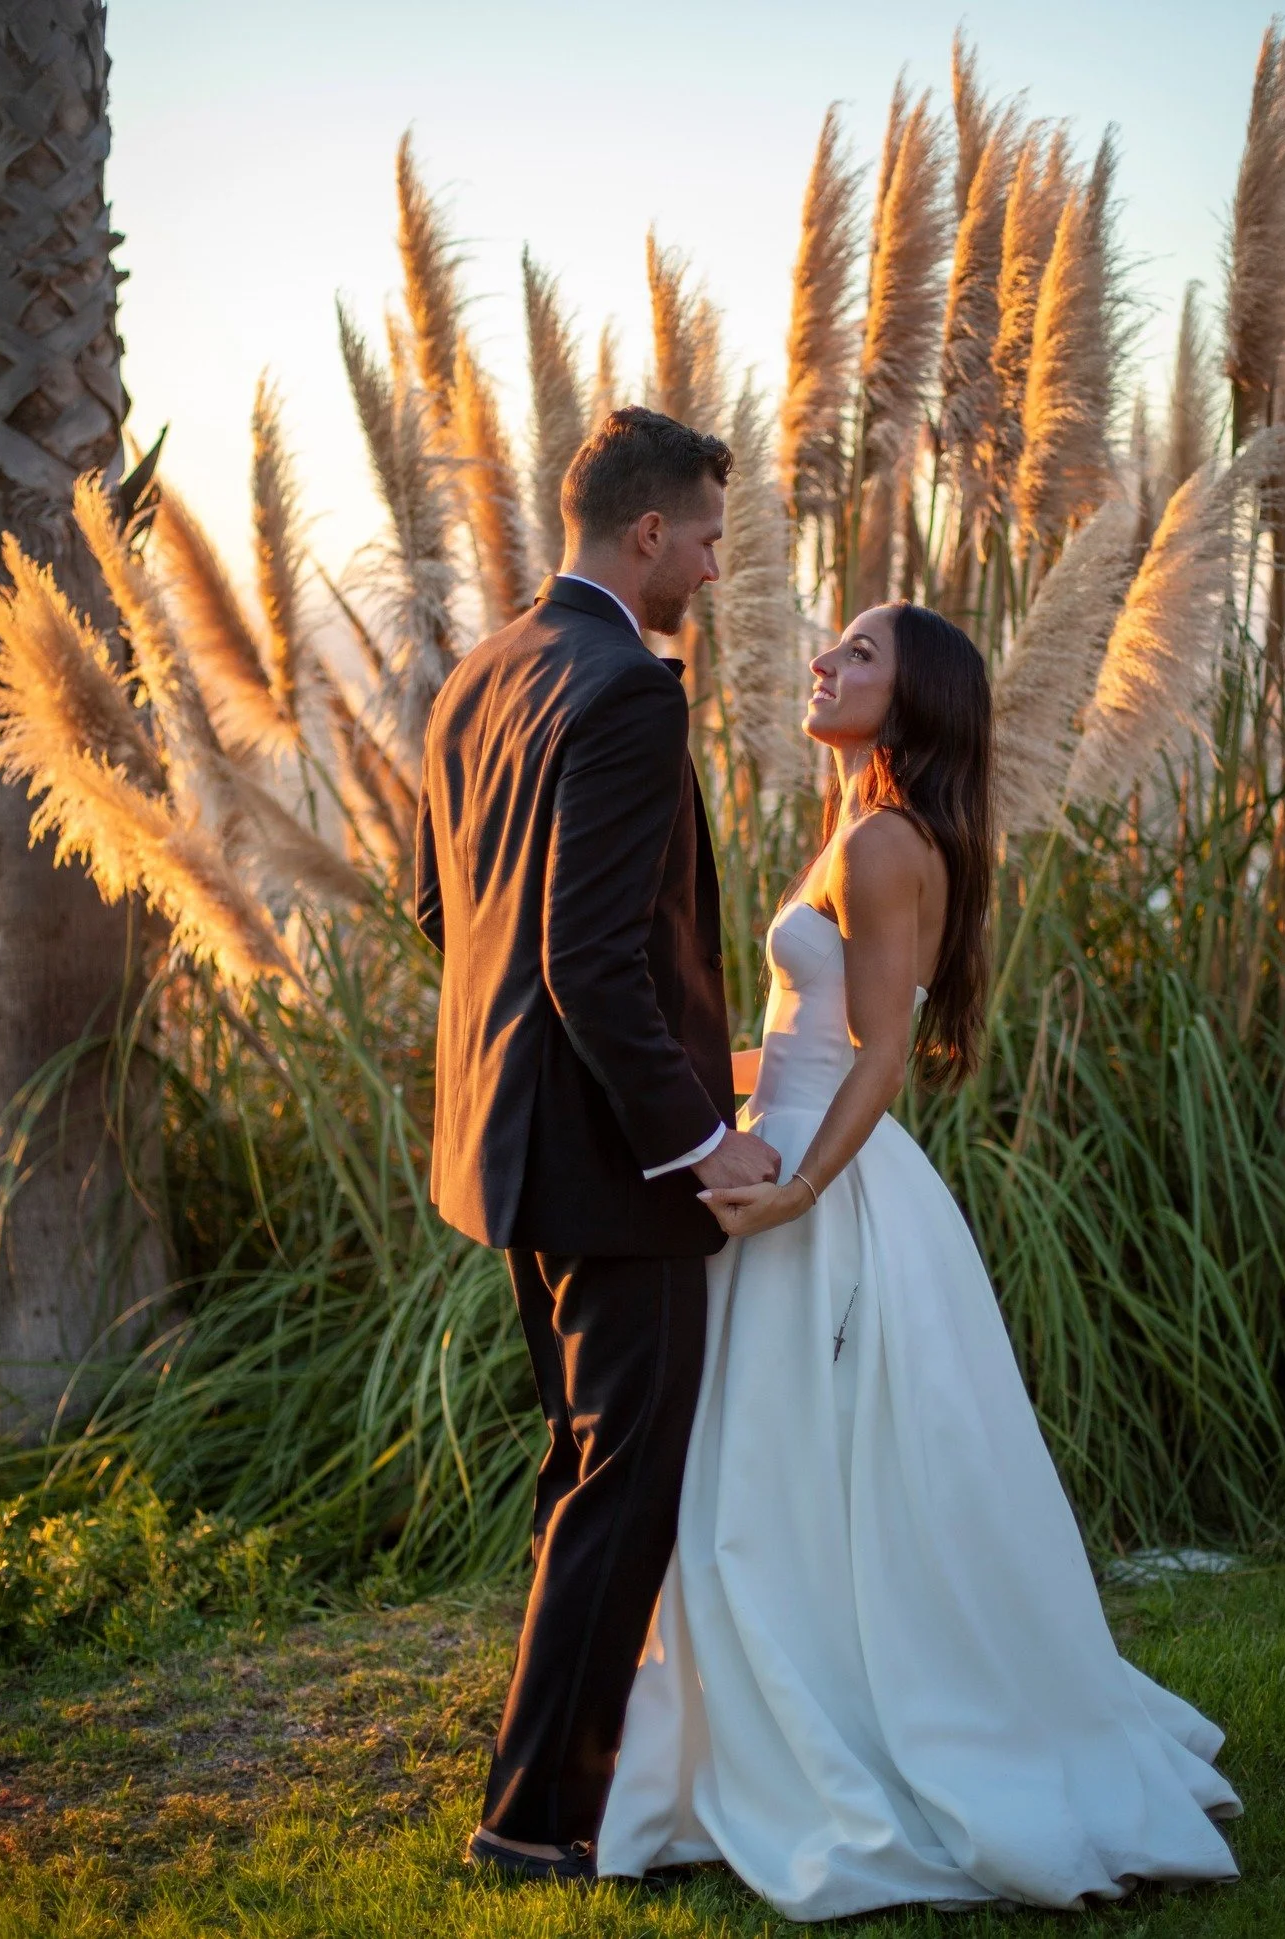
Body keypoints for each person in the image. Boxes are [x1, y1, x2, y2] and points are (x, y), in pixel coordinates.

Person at [595, 601, 1243, 1918]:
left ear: (917, 697)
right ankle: (771, 1721)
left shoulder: (888, 843)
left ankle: (838, 1737)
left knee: (785, 1468)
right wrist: (661, 1104)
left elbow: (880, 1058)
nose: (826, 661)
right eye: (832, 644)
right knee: (777, 1467)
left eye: (861, 653)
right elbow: (803, 1045)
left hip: (825, 1191)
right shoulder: (858, 827)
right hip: (782, 1154)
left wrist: (796, 1194)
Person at [415, 407, 781, 1881]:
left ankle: (548, 1783)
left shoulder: (483, 673)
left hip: (510, 1147)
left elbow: (450, 915)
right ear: (646, 534)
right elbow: (588, 958)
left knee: (586, 1468)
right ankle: (535, 1819)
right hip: (613, 1166)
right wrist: (702, 1139)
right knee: (621, 1476)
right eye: (704, 532)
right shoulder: (628, 686)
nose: (710, 557)